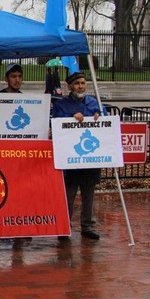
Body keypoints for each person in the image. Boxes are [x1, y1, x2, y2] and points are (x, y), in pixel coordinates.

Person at [52, 71, 104, 240]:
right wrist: (71, 117)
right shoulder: (62, 105)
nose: (80, 86)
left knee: (89, 193)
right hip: (71, 159)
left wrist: (99, 116)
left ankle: (87, 225)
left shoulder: (93, 102)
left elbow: (105, 119)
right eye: (76, 84)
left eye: (82, 83)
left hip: (90, 159)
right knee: (69, 194)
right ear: (70, 87)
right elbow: (57, 121)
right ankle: (64, 226)